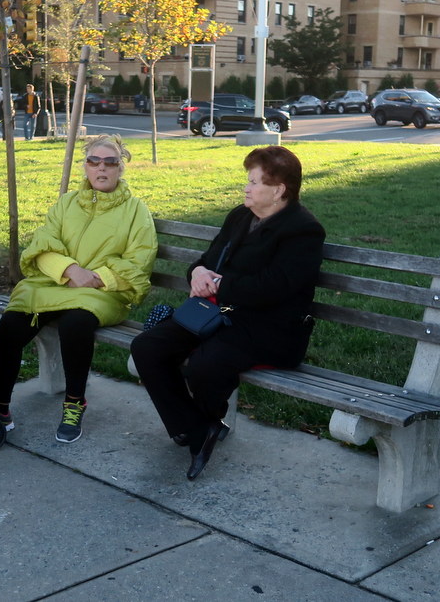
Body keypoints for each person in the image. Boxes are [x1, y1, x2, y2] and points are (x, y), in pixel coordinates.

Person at [131, 146, 326, 481]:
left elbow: (274, 287)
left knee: (205, 364)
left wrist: (220, 284)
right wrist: (197, 273)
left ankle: (199, 429)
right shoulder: (241, 216)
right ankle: (197, 427)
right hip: (217, 314)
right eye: (247, 180)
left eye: (254, 182)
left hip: (270, 328)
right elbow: (208, 260)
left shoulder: (303, 230)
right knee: (147, 347)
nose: (246, 188)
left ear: (278, 190)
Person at [0, 134, 157, 443]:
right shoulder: (66, 203)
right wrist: (69, 270)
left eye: (110, 162)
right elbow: (43, 245)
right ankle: (0, 408)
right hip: (55, 284)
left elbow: (139, 262)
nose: (101, 168)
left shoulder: (135, 211)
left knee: (76, 323)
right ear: (85, 167)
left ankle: (74, 403)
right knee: (12, 323)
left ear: (120, 168)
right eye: (94, 161)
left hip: (102, 294)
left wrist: (96, 278)